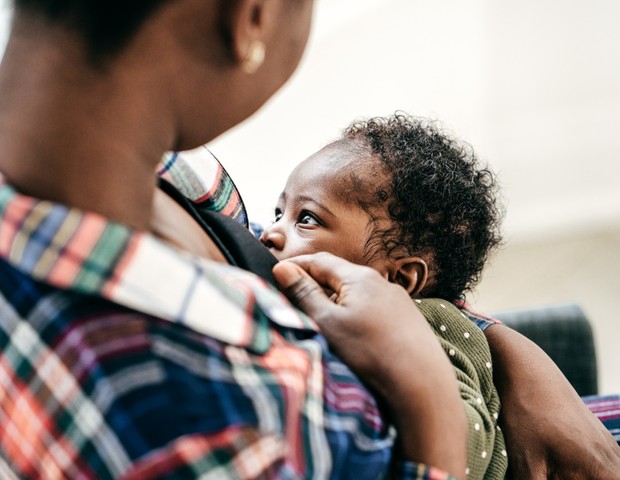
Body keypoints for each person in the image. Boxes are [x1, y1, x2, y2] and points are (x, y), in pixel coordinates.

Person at [0, 1, 618, 479]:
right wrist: (426, 394)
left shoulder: (163, 171)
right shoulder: (173, 415)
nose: (273, 233)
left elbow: (387, 282)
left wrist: (512, 354)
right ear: (252, 17)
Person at [259, 113, 508, 478]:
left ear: (399, 279)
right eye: (279, 213)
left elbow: (471, 444)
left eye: (307, 219)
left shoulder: (432, 324)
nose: (271, 233)